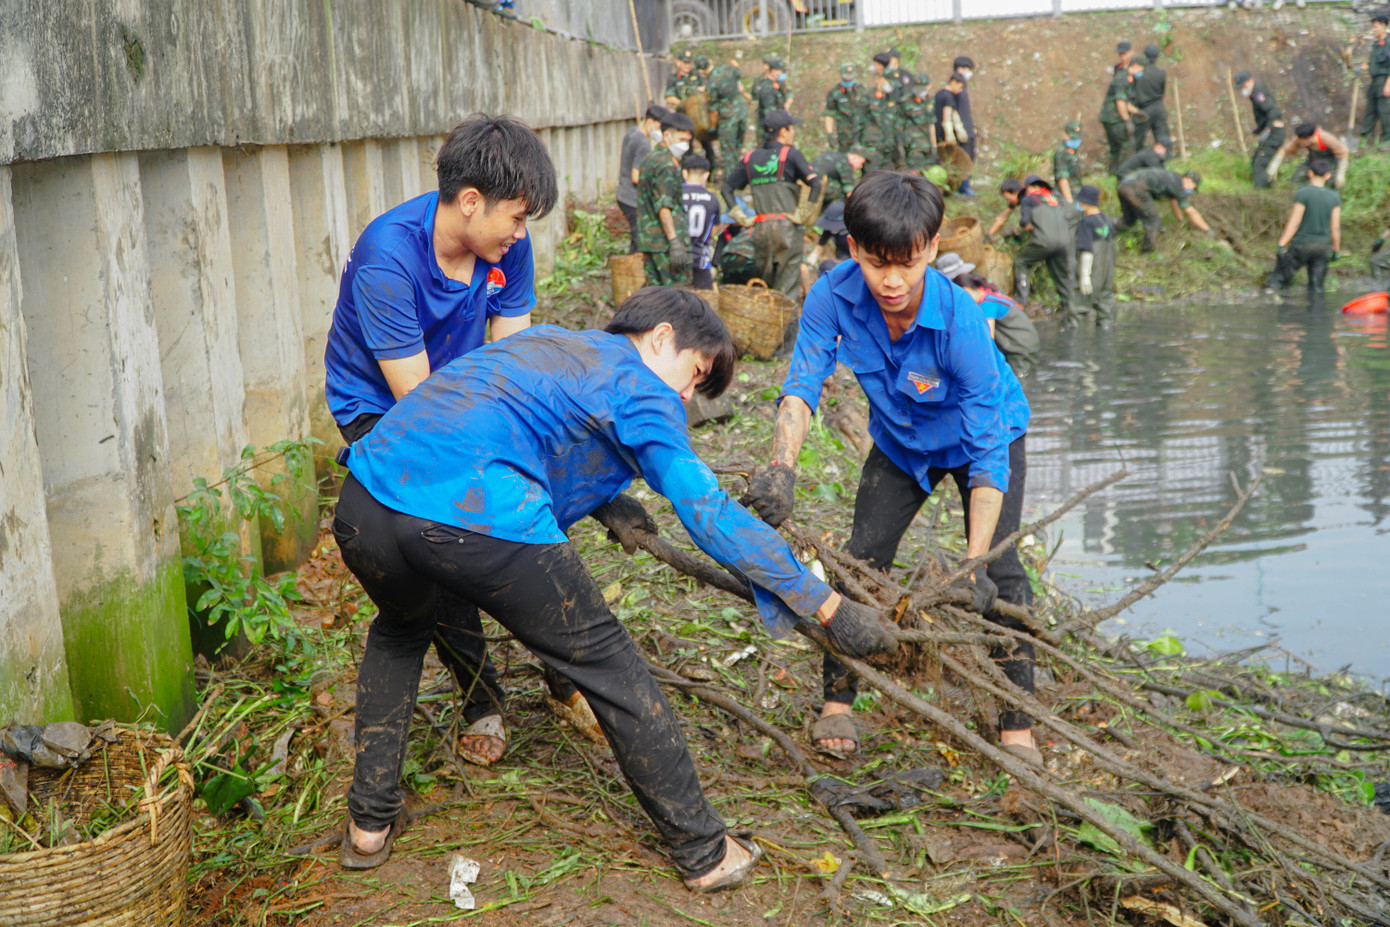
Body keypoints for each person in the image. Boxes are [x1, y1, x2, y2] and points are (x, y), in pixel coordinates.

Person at [333, 287, 900, 881]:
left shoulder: (549, 340)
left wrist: (609, 499)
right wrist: (827, 605)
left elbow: (524, 430)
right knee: (608, 664)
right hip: (474, 516)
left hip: (364, 504)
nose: (685, 396)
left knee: (399, 631)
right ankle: (704, 851)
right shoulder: (642, 388)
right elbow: (708, 512)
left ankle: (369, 826)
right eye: (694, 374)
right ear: (661, 338)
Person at [740, 171, 1039, 763]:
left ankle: (1017, 722)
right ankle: (838, 702)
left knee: (1001, 575)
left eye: (908, 263)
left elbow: (987, 453)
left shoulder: (961, 323)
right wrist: (781, 467)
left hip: (984, 438)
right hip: (902, 442)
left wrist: (971, 564)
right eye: (878, 264)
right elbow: (802, 386)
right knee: (858, 561)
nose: (893, 281)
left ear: (932, 247)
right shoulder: (831, 296)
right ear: (853, 249)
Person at [324, 114, 563, 767]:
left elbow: (510, 361)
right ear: (468, 202)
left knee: (516, 504)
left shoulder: (506, 248)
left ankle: (563, 673)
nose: (522, 232)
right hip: (385, 407)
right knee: (442, 534)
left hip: (459, 390)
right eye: (516, 217)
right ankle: (481, 695)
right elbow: (420, 403)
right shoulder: (387, 259)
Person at [721, 111, 824, 299]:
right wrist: (803, 214)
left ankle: (765, 324)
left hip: (760, 229)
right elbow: (816, 184)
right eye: (791, 129)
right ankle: (787, 327)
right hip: (788, 230)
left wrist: (741, 217)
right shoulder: (791, 155)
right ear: (783, 132)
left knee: (764, 287)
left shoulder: (749, 158)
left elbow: (726, 188)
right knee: (787, 289)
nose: (793, 133)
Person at [935, 251, 1041, 375]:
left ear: (964, 290)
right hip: (1023, 344)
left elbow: (988, 340)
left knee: (1020, 380)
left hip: (1020, 349)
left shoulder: (987, 304)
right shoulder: (987, 288)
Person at [987, 175, 1077, 314]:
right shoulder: (1055, 197)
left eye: (1008, 198)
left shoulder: (1028, 199)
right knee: (1059, 273)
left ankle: (1022, 298)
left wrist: (1024, 229)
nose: (1008, 202)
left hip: (1044, 242)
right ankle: (1069, 308)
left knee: (1021, 261)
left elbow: (1024, 222)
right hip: (1065, 242)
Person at [636, 112, 695, 287]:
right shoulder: (666, 165)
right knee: (676, 299)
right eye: (681, 139)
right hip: (665, 244)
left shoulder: (650, 159)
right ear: (667, 136)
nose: (685, 145)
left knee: (654, 296)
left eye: (688, 141)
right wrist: (674, 242)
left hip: (650, 241)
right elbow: (664, 206)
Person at [1267, 159, 1341, 296]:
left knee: (1279, 279)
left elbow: (1295, 222)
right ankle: (1316, 314)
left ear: (1310, 173)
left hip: (1302, 244)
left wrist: (1281, 244)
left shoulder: (1303, 193)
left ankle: (1275, 303)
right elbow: (1335, 228)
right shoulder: (1334, 197)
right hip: (1323, 247)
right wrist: (1336, 250)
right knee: (1317, 288)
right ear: (1328, 175)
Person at [1115, 167, 1214, 252]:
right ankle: (1147, 251)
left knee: (1128, 220)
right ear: (1189, 179)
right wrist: (1207, 230)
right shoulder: (1179, 186)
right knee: (1154, 220)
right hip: (1135, 189)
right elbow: (1190, 211)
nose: (1190, 190)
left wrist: (1181, 220)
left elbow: (1174, 202)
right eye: (1193, 186)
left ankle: (1106, 231)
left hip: (1123, 185)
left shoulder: (1174, 177)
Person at [619, 105, 667, 253]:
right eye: (660, 127)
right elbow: (636, 177)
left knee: (636, 236)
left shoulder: (632, 132)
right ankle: (635, 270)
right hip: (632, 198)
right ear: (650, 122)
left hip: (622, 193)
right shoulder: (643, 144)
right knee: (639, 238)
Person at [1074, 185, 1118, 325]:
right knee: (1106, 313)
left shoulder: (1086, 222)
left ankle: (1074, 342)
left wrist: (1084, 276)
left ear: (1084, 203)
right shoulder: (1107, 220)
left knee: (1078, 311)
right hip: (1107, 275)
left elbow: (1087, 250)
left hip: (1093, 273)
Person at [1235, 71, 1285, 189]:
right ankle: (1267, 187)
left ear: (1251, 81)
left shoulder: (1258, 92)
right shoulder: (1254, 94)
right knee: (1257, 159)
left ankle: (1261, 192)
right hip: (1271, 130)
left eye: (1244, 85)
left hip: (1274, 132)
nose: (1243, 88)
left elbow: (1273, 110)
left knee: (1260, 163)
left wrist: (1268, 129)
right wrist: (1258, 130)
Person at [1266, 123, 1350, 190]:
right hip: (1312, 161)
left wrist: (1341, 173)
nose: (1301, 143)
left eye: (1303, 142)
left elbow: (1343, 153)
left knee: (1328, 184)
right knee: (1297, 179)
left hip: (1329, 164)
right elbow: (1285, 150)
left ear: (1310, 138)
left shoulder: (1326, 139)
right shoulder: (1300, 139)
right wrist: (1274, 165)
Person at [681, 155, 719, 291]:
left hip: (676, 255)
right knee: (705, 300)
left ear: (684, 173)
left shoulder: (676, 195)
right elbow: (713, 230)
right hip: (700, 258)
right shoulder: (712, 199)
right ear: (706, 175)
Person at [707, 59, 749, 180]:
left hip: (728, 117)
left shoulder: (712, 81)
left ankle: (731, 180)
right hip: (742, 111)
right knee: (738, 147)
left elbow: (713, 109)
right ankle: (741, 178)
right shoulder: (728, 68)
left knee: (728, 150)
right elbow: (740, 74)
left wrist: (712, 127)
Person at [1100, 58, 1141, 174]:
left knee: (1115, 148)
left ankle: (1113, 173)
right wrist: (1127, 120)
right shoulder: (1123, 79)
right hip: (1114, 119)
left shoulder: (1124, 77)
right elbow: (1120, 101)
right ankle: (1125, 174)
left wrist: (1138, 112)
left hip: (1109, 118)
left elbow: (1125, 102)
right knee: (1127, 145)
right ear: (1135, 66)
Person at [933, 73, 971, 192]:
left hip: (936, 132)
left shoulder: (939, 94)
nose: (960, 90)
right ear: (953, 82)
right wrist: (950, 136)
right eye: (960, 87)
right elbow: (947, 117)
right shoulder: (948, 97)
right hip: (943, 135)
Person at [950, 56, 980, 196]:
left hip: (968, 130)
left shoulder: (963, 88)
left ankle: (965, 184)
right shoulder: (955, 90)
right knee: (963, 159)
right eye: (967, 69)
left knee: (970, 157)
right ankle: (961, 186)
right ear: (959, 69)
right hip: (962, 131)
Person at [1359, 15, 1390, 151]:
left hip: (1385, 80)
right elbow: (1374, 64)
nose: (1373, 29)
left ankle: (1387, 142)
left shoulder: (1389, 44)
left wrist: (1388, 84)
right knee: (1370, 111)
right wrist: (1363, 67)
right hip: (1375, 82)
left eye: (1375, 26)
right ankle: (1363, 140)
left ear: (1384, 26)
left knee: (1385, 112)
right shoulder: (1376, 45)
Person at [861, 69, 902, 170]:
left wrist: (899, 145)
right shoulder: (867, 98)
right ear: (881, 79)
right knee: (872, 180)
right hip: (872, 148)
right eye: (889, 82)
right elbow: (858, 122)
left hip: (888, 149)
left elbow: (896, 124)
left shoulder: (892, 99)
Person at [1131, 44, 1168, 153]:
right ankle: (1166, 157)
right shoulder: (1161, 73)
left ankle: (1137, 159)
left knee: (1138, 139)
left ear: (1145, 55)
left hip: (1143, 109)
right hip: (1158, 106)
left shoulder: (1138, 73)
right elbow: (1162, 92)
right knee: (1162, 136)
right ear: (1157, 57)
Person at [900, 75, 939, 174]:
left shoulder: (930, 101)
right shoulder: (906, 102)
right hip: (913, 145)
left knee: (927, 173)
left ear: (928, 86)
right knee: (914, 173)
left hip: (927, 145)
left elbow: (931, 123)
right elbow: (900, 125)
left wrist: (934, 146)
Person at [824, 63, 864, 152]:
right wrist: (830, 134)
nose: (849, 80)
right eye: (847, 78)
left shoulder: (861, 89)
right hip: (845, 137)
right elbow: (829, 114)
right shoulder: (834, 92)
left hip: (861, 134)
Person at [752, 56, 792, 137]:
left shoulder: (776, 85)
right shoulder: (767, 88)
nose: (782, 74)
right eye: (781, 71)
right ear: (773, 71)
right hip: (770, 131)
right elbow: (770, 114)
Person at [1052, 121, 1084, 203]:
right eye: (1072, 138)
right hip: (1065, 197)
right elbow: (1063, 180)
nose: (1075, 141)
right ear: (1065, 135)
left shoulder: (1072, 151)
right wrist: (1070, 202)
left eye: (1076, 138)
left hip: (1077, 194)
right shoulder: (1062, 154)